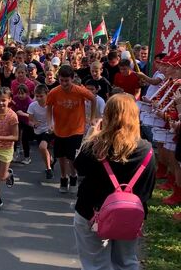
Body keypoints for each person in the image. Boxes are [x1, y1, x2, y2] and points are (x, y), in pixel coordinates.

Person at [73, 93, 155, 270]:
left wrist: (91, 135)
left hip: (92, 212)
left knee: (95, 263)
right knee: (126, 261)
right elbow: (148, 189)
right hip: (130, 214)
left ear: (107, 115)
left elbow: (79, 167)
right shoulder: (147, 149)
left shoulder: (96, 146)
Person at [47, 65, 97, 194]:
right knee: (61, 157)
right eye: (61, 80)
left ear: (72, 78)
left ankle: (73, 175)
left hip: (76, 129)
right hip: (59, 129)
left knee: (71, 157)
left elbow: (93, 98)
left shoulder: (79, 91)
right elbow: (49, 107)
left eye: (66, 81)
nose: (64, 83)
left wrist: (92, 117)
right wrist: (49, 123)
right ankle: (64, 177)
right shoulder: (54, 92)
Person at [27, 84, 54, 179]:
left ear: (47, 94)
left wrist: (53, 126)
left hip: (50, 129)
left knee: (42, 147)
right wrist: (34, 123)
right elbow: (29, 120)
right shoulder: (32, 105)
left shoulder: (52, 104)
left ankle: (48, 169)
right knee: (43, 150)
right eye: (36, 96)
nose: (38, 98)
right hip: (38, 131)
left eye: (41, 96)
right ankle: (49, 161)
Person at [12, 84, 34, 165]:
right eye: (19, 93)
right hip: (18, 121)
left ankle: (27, 157)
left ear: (27, 93)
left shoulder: (30, 102)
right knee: (15, 137)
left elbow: (33, 116)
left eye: (22, 93)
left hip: (27, 122)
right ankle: (14, 154)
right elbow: (12, 105)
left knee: (25, 139)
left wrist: (23, 114)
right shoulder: (15, 99)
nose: (20, 95)